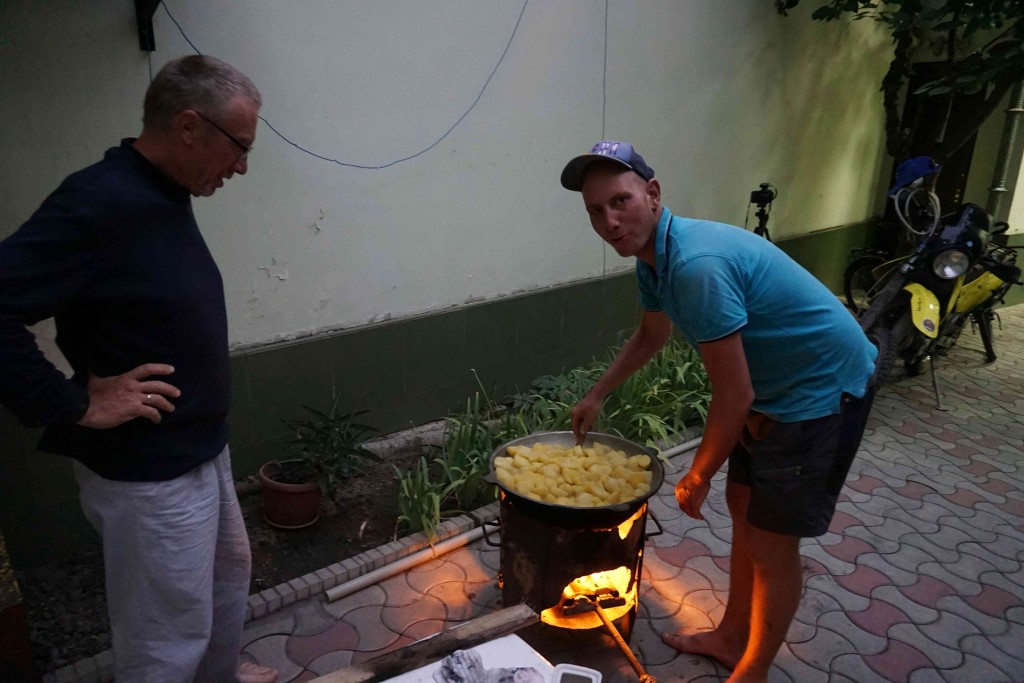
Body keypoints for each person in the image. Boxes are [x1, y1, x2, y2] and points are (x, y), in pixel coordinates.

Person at [0, 55, 277, 683]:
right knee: (165, 636)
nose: (242, 165)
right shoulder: (98, 202)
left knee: (225, 586)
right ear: (187, 126)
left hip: (200, 448)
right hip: (148, 470)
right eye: (238, 146)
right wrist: (71, 404)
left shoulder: (161, 194)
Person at [561, 141, 876, 683]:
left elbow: (736, 395)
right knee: (743, 511)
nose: (609, 221)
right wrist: (597, 394)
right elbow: (651, 333)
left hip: (822, 391)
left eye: (620, 201)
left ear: (652, 194)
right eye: (595, 210)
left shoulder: (696, 267)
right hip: (777, 390)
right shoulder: (653, 257)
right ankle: (732, 637)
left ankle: (752, 671)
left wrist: (698, 472)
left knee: (773, 542)